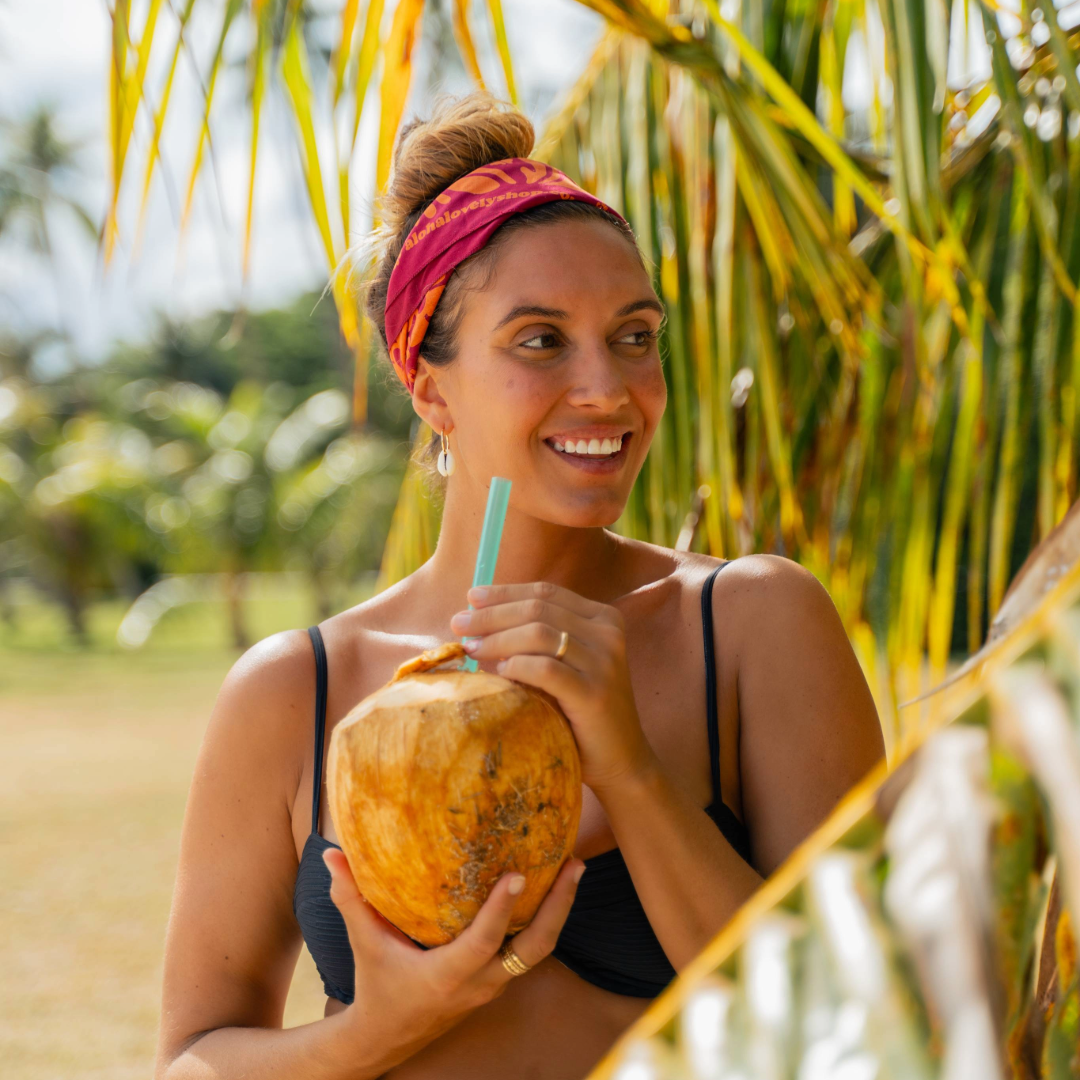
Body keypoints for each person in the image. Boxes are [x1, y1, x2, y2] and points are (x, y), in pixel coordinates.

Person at [155, 91, 884, 1080]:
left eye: (635, 335)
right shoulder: (300, 689)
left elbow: (854, 1022)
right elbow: (193, 1059)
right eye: (540, 341)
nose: (608, 387)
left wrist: (625, 764)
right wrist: (380, 1030)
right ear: (429, 388)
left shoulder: (749, 625)